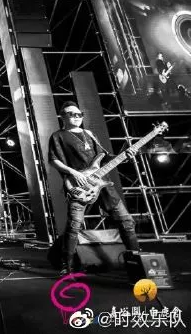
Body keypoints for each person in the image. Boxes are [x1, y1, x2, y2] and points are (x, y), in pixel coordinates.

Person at [48, 101, 139, 276]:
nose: (77, 117)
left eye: (79, 114)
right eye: (71, 114)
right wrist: (74, 173)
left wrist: (125, 156)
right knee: (74, 226)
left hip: (102, 183)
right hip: (79, 185)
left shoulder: (89, 134)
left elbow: (104, 157)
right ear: (63, 117)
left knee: (126, 221)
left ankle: (137, 260)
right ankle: (67, 265)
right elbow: (53, 160)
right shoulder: (58, 136)